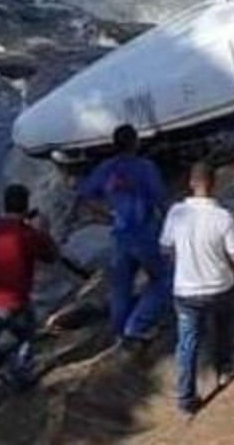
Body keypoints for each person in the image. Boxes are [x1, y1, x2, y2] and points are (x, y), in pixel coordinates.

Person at [0, 184, 87, 402]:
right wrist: (43, 230)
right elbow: (51, 256)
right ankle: (21, 377)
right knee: (26, 337)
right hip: (13, 302)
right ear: (26, 205)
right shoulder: (28, 234)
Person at [161, 161, 234, 416]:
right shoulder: (223, 217)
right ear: (214, 184)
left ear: (191, 183)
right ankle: (224, 370)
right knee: (223, 329)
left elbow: (165, 249)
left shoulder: (176, 213)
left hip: (186, 292)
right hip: (220, 287)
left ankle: (186, 400)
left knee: (188, 343)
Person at [74, 124, 170, 346]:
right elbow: (160, 200)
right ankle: (136, 325)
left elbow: (85, 195)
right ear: (135, 143)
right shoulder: (145, 167)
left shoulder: (106, 168)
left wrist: (107, 214)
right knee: (162, 279)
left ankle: (119, 331)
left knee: (121, 285)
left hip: (120, 233)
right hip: (144, 231)